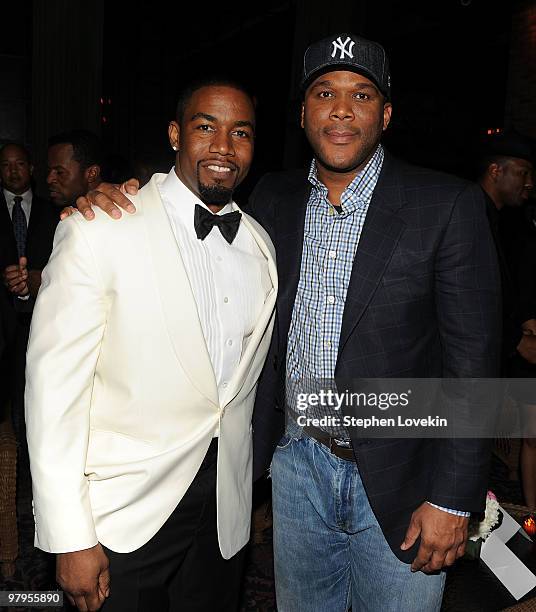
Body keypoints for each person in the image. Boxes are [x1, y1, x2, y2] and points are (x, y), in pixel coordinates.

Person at [75, 34, 500, 611]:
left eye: (362, 94)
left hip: (405, 482)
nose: (342, 109)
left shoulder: (446, 204)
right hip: (295, 469)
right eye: (325, 92)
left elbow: (474, 363)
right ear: (303, 114)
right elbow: (186, 211)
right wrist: (118, 197)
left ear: (387, 113)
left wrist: (453, 498)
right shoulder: (269, 199)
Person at [25, 77, 277, 612]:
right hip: (123, 516)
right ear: (174, 134)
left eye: (241, 133)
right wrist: (69, 533)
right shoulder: (100, 228)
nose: (224, 147)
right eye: (205, 127)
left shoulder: (260, 246)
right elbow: (53, 396)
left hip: (224, 520)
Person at [478, 132, 536, 507]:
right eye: (524, 173)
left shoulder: (500, 221)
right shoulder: (469, 212)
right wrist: (516, 339)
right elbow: (474, 299)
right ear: (496, 171)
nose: (529, 184)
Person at [0, 143, 58, 449]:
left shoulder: (56, 211)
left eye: (19, 164)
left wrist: (36, 277)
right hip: (3, 325)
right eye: (6, 165)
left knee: (38, 401)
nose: (13, 171)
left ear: (31, 168)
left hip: (44, 321)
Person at [47, 129, 103, 207]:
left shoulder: (116, 214)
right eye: (48, 171)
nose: (49, 179)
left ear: (92, 173)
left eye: (60, 172)